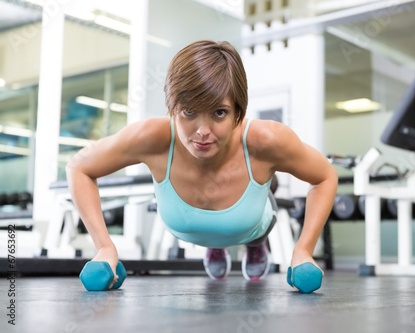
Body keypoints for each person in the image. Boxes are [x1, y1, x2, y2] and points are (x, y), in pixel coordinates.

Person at [66, 40, 338, 287]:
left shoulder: (266, 140)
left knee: (261, 204)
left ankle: (256, 243)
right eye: (189, 112)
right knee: (219, 229)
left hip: (250, 223)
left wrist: (303, 250)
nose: (202, 131)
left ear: (238, 111)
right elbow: (79, 167)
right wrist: (104, 247)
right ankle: (216, 246)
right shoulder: (151, 138)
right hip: (191, 226)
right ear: (172, 107)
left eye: (219, 113)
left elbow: (325, 176)